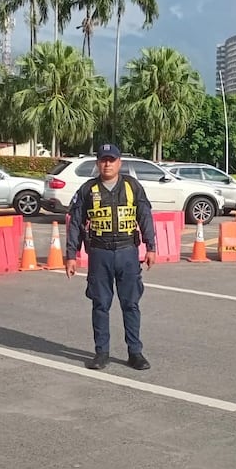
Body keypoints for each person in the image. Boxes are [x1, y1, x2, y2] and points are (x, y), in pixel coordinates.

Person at [64, 143, 157, 370]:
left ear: (119, 163)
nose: (107, 164)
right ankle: (101, 353)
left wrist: (151, 247)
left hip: (127, 252)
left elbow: (145, 216)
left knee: (131, 304)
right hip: (99, 253)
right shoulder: (87, 190)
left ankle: (135, 353)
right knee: (100, 304)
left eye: (112, 160)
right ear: (98, 163)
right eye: (104, 160)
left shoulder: (132, 187)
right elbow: (75, 223)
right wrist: (71, 255)